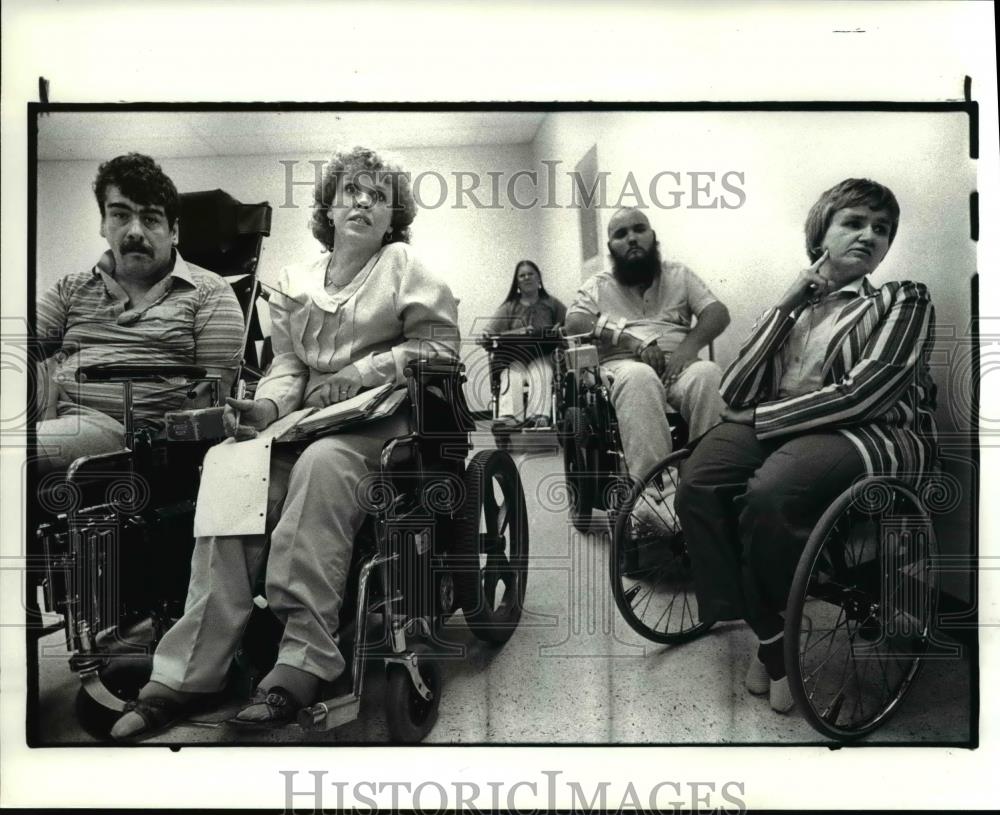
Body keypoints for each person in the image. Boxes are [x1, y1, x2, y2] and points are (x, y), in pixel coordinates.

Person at [111, 147, 461, 739]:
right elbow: (288, 367)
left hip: (380, 421)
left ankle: (303, 661)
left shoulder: (404, 265)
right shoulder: (298, 282)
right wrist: (266, 406)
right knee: (231, 464)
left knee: (322, 467)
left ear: (392, 216)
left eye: (379, 196)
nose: (363, 202)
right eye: (351, 190)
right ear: (327, 205)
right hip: (304, 420)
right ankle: (192, 668)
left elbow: (439, 347)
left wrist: (368, 370)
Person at [675, 178, 938, 713]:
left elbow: (867, 393)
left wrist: (762, 418)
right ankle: (771, 636)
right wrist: (788, 303)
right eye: (854, 223)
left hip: (867, 431)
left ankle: (770, 636)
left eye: (881, 229)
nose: (869, 236)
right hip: (786, 422)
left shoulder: (901, 298)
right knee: (697, 483)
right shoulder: (793, 311)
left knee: (772, 494)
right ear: (822, 232)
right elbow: (734, 390)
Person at [34, 153, 245, 473]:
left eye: (150, 219)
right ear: (103, 224)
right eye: (120, 215)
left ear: (173, 231)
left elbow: (209, 398)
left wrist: (156, 452)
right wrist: (44, 397)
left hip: (129, 436)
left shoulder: (210, 294)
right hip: (45, 420)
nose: (134, 231)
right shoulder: (70, 288)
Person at [564, 207, 730, 480]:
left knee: (708, 374)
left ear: (652, 236)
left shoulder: (679, 275)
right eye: (621, 234)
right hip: (624, 366)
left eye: (639, 229)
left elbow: (717, 313)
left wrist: (687, 349)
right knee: (639, 376)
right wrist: (633, 342)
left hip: (679, 367)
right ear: (610, 247)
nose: (631, 238)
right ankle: (655, 495)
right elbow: (575, 322)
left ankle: (709, 482)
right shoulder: (598, 285)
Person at [485, 260, 566, 428]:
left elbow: (569, 324)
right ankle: (510, 417)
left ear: (539, 278)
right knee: (510, 375)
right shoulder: (509, 307)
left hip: (543, 356)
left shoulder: (552, 304)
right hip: (516, 357)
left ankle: (538, 417)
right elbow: (489, 332)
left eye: (530, 274)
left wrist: (560, 329)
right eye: (522, 275)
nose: (527, 277)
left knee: (541, 372)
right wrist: (488, 336)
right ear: (517, 282)